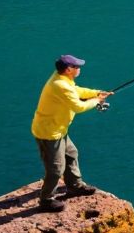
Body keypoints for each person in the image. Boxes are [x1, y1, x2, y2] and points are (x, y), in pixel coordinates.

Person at [32, 54, 113, 212]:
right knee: (56, 169)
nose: (79, 69)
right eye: (77, 67)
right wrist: (97, 100)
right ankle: (46, 200)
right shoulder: (60, 85)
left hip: (58, 129)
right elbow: (78, 107)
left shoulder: (62, 79)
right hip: (49, 133)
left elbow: (76, 91)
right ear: (69, 69)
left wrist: (96, 93)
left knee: (71, 154)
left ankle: (75, 187)